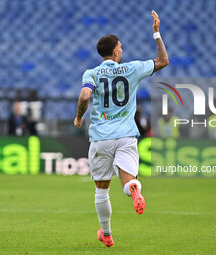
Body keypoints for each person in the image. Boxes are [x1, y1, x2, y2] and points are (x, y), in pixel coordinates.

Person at [74, 10, 169, 247]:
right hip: (126, 135)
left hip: (101, 137)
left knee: (102, 189)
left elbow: (85, 94)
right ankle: (134, 189)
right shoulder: (132, 68)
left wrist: (78, 117)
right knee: (128, 180)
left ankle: (106, 234)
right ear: (116, 52)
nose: (123, 51)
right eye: (121, 48)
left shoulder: (92, 73)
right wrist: (156, 33)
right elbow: (163, 61)